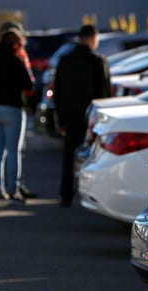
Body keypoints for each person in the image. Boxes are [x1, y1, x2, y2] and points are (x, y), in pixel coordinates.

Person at [54, 25, 111, 207]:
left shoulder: (65, 60)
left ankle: (65, 194)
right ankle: (92, 196)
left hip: (70, 114)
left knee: (69, 155)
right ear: (93, 38)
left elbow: (59, 91)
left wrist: (60, 117)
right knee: (94, 157)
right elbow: (105, 93)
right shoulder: (98, 61)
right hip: (92, 117)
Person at [0, 29, 34, 205]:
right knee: (13, 152)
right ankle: (13, 189)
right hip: (12, 109)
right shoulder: (16, 61)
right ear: (16, 44)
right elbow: (28, 85)